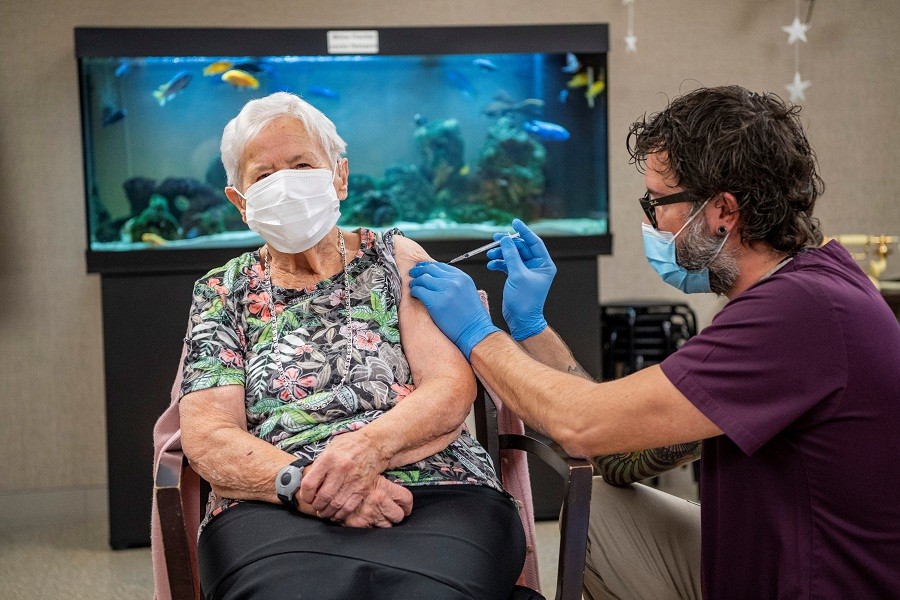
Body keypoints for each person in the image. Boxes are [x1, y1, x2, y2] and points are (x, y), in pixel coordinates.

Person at [409, 86, 900, 599]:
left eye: (657, 202)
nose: (649, 222)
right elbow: (621, 452)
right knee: (600, 509)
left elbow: (581, 425)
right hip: (770, 558)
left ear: (722, 211)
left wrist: (478, 334)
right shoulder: (802, 290)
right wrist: (530, 326)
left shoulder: (797, 315)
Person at [177, 92, 527, 600]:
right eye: (264, 175)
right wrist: (309, 486)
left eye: (302, 165)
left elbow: (450, 389)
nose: (286, 184)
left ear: (339, 176)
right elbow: (208, 436)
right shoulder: (221, 291)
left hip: (436, 487)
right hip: (275, 501)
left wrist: (364, 451)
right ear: (240, 201)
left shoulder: (397, 258)